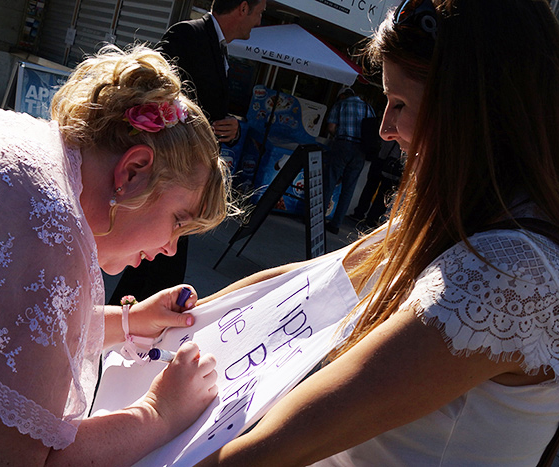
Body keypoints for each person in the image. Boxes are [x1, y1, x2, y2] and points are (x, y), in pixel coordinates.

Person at [195, 0, 559, 465]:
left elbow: (282, 445)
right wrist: (170, 320)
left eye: (401, 103)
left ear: (475, 110)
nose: (386, 128)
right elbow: (306, 280)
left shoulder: (508, 273)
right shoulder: (474, 220)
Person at [0, 45, 231, 466]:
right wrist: (159, 413)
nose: (170, 248)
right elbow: (4, 459)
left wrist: (131, 321)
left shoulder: (37, 159)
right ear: (132, 171)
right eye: (178, 220)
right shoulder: (44, 226)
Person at [107, 0, 266, 305]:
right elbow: (154, 93)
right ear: (242, 7)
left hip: (189, 182)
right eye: (259, 13)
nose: (259, 23)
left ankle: (132, 326)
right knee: (155, 261)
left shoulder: (219, 49)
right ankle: (126, 326)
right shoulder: (188, 34)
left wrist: (232, 126)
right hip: (169, 177)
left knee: (159, 266)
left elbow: (205, 106)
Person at [323, 86, 376, 235]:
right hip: (360, 150)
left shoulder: (341, 105)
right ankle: (336, 224)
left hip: (343, 144)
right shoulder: (368, 107)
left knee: (330, 182)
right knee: (348, 188)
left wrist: (338, 134)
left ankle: (318, 220)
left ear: (342, 96)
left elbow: (331, 127)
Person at [350, 140, 403, 229]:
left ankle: (360, 213)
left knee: (370, 187)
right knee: (384, 194)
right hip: (393, 164)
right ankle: (372, 219)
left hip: (381, 158)